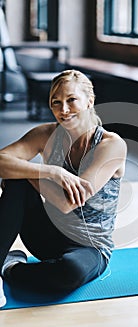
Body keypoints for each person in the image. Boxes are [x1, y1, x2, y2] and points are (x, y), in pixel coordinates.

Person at [0, 69, 127, 307]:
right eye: (56, 102)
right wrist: (50, 171)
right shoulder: (45, 134)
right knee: (16, 178)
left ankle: (10, 268)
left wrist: (26, 172)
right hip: (47, 236)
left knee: (69, 273)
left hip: (90, 247)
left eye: (71, 100)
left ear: (90, 100)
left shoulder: (111, 145)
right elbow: (1, 161)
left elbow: (67, 202)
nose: (63, 110)